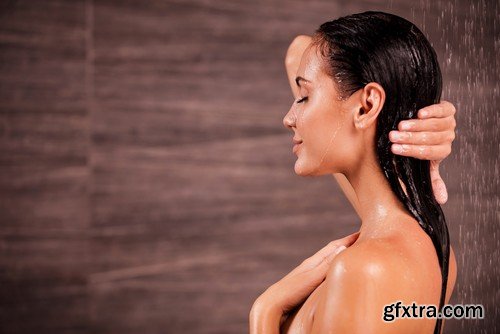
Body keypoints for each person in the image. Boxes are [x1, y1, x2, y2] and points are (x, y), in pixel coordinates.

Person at [250, 11, 457, 334]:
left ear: (365, 106)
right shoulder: (427, 239)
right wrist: (409, 98)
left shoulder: (364, 270)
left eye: (304, 97)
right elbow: (300, 51)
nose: (288, 118)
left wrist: (266, 312)